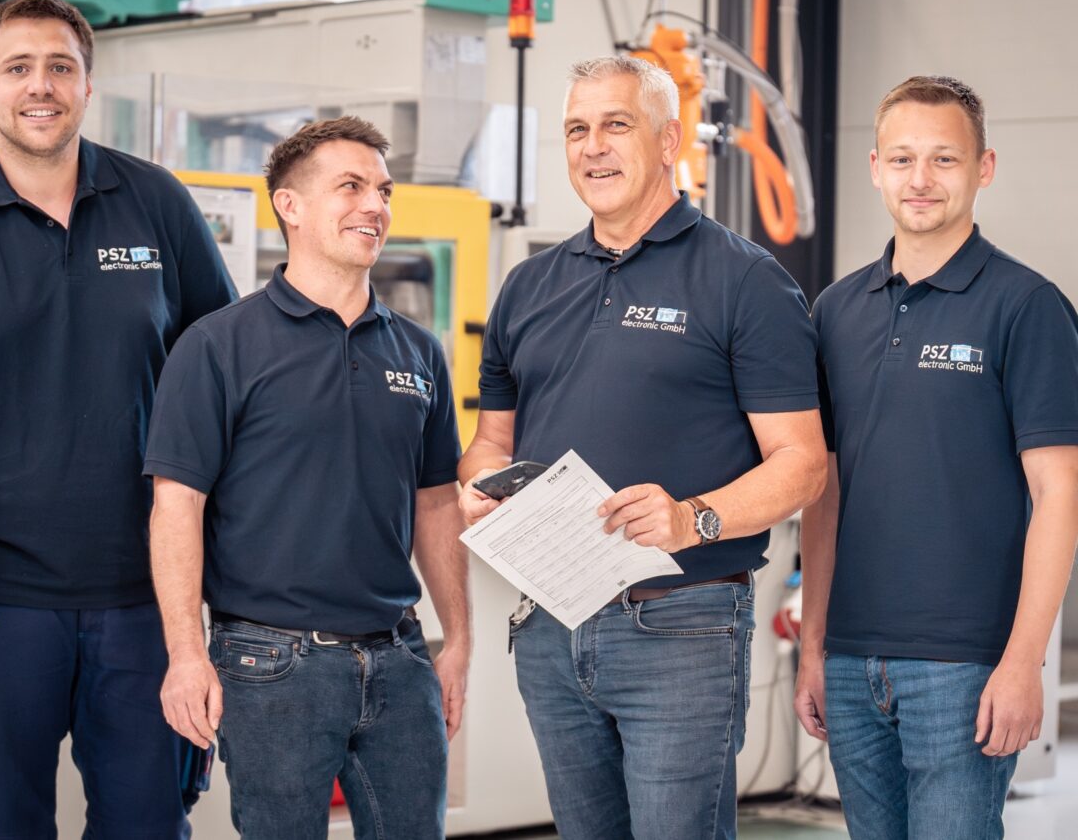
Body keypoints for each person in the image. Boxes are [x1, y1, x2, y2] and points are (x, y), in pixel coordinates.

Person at [0, 0, 237, 838]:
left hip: (146, 597)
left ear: (86, 83)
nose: (40, 86)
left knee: (149, 825)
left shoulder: (158, 204)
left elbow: (224, 379)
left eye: (59, 66)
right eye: (18, 68)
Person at [457, 55, 826, 840]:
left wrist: (692, 517)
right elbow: (491, 441)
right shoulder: (528, 286)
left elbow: (803, 464)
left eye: (616, 125)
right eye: (576, 130)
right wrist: (482, 485)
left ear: (668, 141)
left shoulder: (745, 281)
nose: (593, 147)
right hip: (552, 625)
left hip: (682, 627)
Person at [144, 116, 471, 840]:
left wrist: (458, 641)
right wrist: (186, 653)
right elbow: (176, 507)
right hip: (270, 665)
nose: (374, 206)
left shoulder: (419, 353)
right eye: (350, 187)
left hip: (400, 656)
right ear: (289, 206)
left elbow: (437, 503)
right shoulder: (218, 346)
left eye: (383, 190)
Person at [795, 75, 1078, 840]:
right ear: (875, 167)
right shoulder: (834, 312)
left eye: (944, 159)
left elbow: (1060, 494)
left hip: (965, 665)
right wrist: (814, 646)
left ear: (984, 168)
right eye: (902, 158)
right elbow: (824, 492)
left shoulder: (1028, 306)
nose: (920, 179)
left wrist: (1023, 662)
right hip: (850, 660)